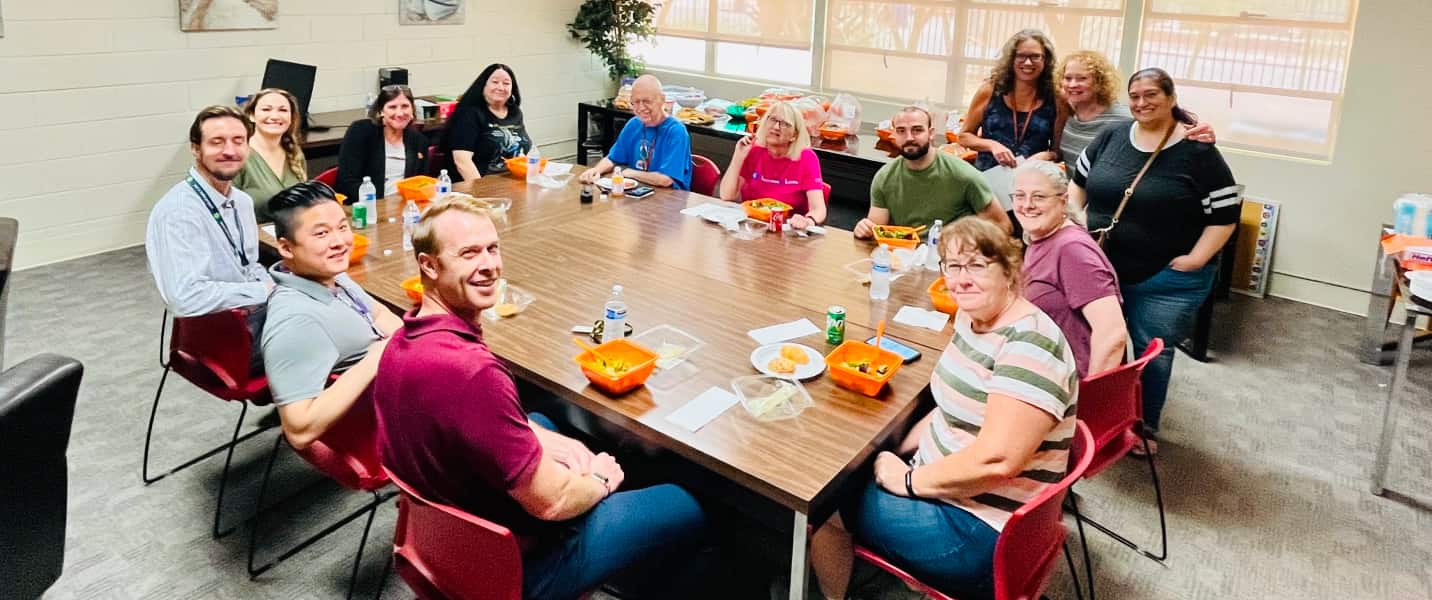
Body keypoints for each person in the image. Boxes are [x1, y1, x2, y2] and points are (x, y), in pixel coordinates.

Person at [371, 195, 708, 600]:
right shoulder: (475, 375)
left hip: (443, 542)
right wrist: (600, 479)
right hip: (514, 564)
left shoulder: (402, 343)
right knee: (685, 501)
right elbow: (552, 503)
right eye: (468, 253)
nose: (489, 265)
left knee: (548, 425)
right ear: (429, 265)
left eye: (492, 248)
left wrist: (546, 440)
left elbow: (473, 418)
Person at [810, 217, 1078, 600]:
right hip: (954, 494)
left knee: (826, 503)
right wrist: (897, 448)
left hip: (980, 530)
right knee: (858, 461)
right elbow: (952, 410)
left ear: (1010, 270)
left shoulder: (1030, 344)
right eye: (952, 266)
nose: (961, 279)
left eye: (977, 265)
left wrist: (907, 481)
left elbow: (997, 461)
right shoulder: (974, 318)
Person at [1070, 68, 1241, 452]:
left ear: (1171, 97)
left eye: (1151, 95)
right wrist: (1077, 219)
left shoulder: (1199, 152)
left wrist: (1197, 258)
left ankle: (1141, 428)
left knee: (1149, 352)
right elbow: (1079, 182)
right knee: (1098, 341)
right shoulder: (1111, 136)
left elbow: (1225, 216)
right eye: (1134, 96)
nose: (1142, 103)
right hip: (1101, 269)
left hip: (1163, 280)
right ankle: (1090, 420)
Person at [260, 181, 402, 449]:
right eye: (321, 234)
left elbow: (378, 312)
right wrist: (377, 356)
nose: (339, 242)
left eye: (342, 227)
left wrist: (408, 341)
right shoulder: (295, 322)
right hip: (387, 421)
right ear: (286, 248)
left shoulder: (330, 275)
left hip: (402, 377)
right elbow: (298, 431)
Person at [146, 105, 273, 319]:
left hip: (253, 314)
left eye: (238, 141)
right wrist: (263, 291)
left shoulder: (241, 202)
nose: (230, 151)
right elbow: (186, 298)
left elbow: (249, 267)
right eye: (217, 142)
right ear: (196, 149)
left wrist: (277, 286)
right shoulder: (179, 212)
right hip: (213, 330)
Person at [1011, 160, 1125, 377]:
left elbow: (1112, 334)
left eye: (1039, 196)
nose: (1027, 205)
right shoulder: (1040, 237)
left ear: (1063, 202)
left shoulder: (1071, 250)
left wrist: (1090, 403)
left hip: (1068, 382)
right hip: (1041, 362)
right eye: (1019, 196)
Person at [854, 106, 1010, 239]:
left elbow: (1003, 227)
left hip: (952, 262)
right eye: (901, 131)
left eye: (917, 130)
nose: (909, 137)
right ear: (893, 135)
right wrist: (865, 229)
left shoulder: (963, 175)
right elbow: (876, 230)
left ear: (931, 133)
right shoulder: (884, 177)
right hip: (901, 258)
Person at [1056, 50, 1215, 165]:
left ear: (1099, 82)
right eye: (1068, 78)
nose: (1072, 84)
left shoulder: (1125, 117)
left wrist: (1201, 137)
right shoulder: (1065, 112)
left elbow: (1168, 134)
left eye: (1082, 78)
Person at [960, 29, 1066, 171]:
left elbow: (1058, 151)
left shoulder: (1057, 98)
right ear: (1011, 59)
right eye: (1021, 56)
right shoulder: (989, 90)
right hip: (987, 179)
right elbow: (964, 136)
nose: (1028, 62)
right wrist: (992, 145)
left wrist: (1047, 156)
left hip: (1031, 182)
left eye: (1035, 56)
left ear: (1045, 59)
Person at [718, 101, 826, 229]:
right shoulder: (753, 151)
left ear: (794, 135)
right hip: (752, 227)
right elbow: (726, 195)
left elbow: (818, 209)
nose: (775, 126)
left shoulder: (807, 158)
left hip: (787, 229)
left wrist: (808, 220)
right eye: (772, 119)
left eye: (784, 124)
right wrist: (738, 156)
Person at [578, 74, 692, 190]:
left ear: (662, 100)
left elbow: (665, 179)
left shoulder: (676, 131)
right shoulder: (634, 124)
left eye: (647, 101)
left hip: (669, 199)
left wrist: (629, 173)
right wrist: (596, 170)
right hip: (637, 193)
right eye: (635, 102)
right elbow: (612, 158)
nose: (641, 108)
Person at [335, 85, 429, 200]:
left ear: (412, 110)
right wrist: (376, 203)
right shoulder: (361, 132)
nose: (400, 113)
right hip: (366, 206)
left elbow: (422, 182)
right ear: (381, 111)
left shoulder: (419, 141)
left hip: (405, 206)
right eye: (392, 107)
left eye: (405, 106)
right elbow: (346, 181)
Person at [441, 63, 532, 181]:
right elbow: (462, 161)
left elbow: (524, 147)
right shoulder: (469, 114)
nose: (500, 87)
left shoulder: (515, 112)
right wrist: (482, 193)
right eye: (495, 82)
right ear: (483, 85)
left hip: (513, 181)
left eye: (506, 83)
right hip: (479, 185)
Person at [235, 88, 308, 223]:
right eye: (266, 109)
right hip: (252, 240)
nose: (275, 116)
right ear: (251, 115)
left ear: (291, 118)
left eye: (283, 110)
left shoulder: (295, 153)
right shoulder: (237, 156)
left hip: (290, 236)